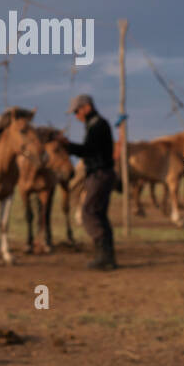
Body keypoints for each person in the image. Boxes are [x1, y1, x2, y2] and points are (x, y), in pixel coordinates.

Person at [65, 94, 118, 270]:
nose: (76, 115)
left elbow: (88, 150)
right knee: (99, 213)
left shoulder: (97, 125)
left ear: (86, 107)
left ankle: (103, 255)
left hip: (100, 174)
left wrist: (67, 146)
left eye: (77, 111)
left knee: (89, 211)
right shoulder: (95, 124)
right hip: (102, 174)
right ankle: (108, 257)